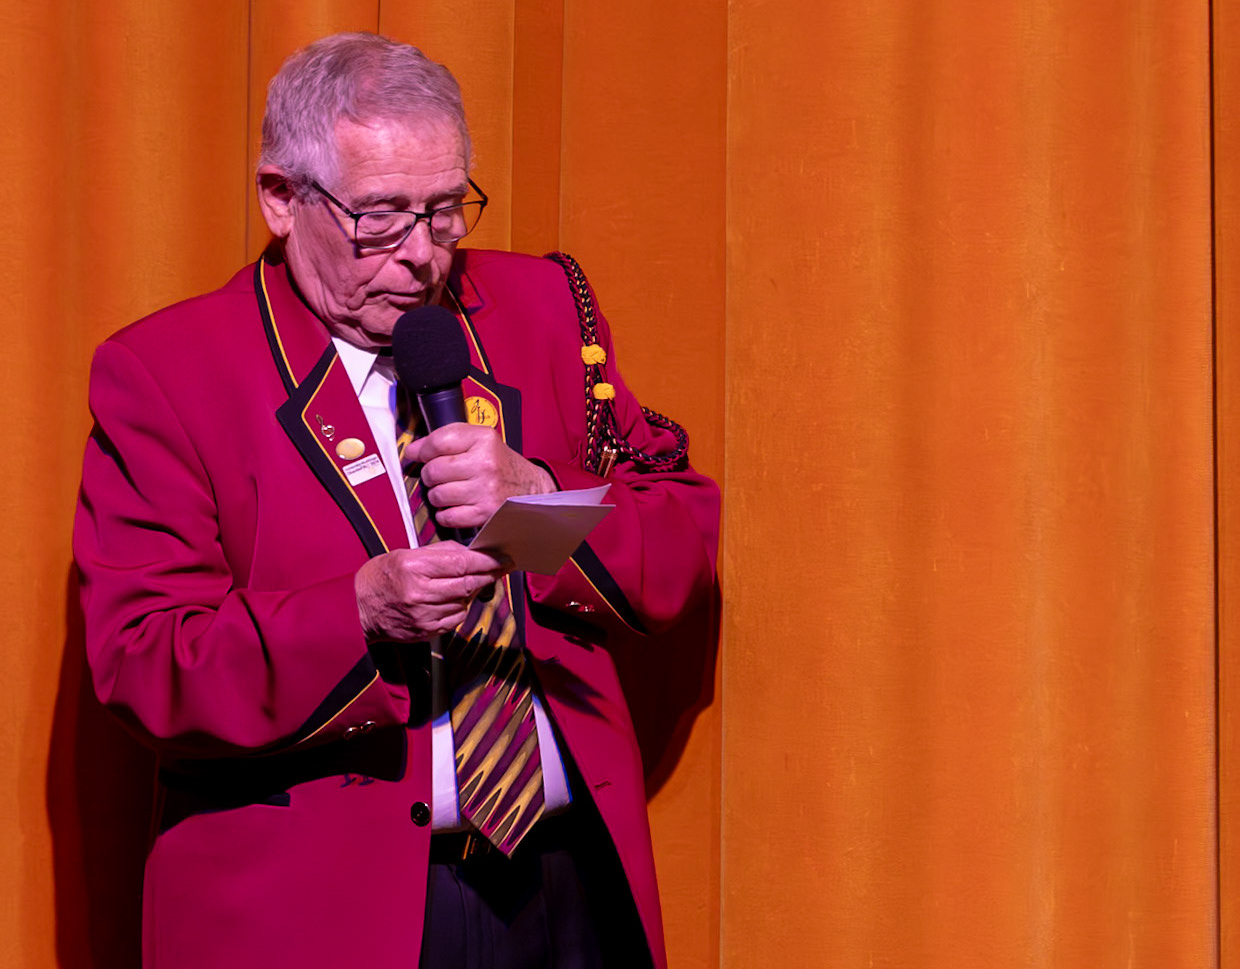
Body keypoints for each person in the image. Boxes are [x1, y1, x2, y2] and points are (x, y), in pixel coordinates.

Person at [73, 30, 718, 969]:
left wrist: (538, 499)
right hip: (320, 913)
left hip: (563, 887)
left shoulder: (542, 306)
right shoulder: (168, 374)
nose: (422, 256)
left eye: (445, 210)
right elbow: (142, 658)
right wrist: (359, 613)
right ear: (281, 198)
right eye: (379, 218)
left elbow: (683, 532)